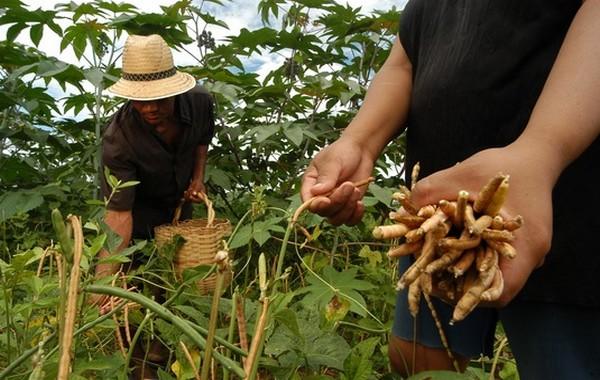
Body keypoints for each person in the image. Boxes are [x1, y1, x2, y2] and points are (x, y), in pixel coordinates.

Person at [301, 1, 600, 379]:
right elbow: (405, 61)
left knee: (567, 364)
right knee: (417, 361)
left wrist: (542, 150)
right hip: (438, 213)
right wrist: (359, 142)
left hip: (567, 201)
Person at [90, 34, 216, 378]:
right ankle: (137, 366)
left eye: (159, 99)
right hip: (137, 216)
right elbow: (118, 213)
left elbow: (203, 139)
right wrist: (107, 277)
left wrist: (198, 177)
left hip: (177, 211)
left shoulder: (201, 102)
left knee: (172, 287)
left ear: (175, 89)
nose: (149, 108)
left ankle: (164, 358)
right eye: (141, 100)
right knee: (129, 292)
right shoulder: (119, 138)